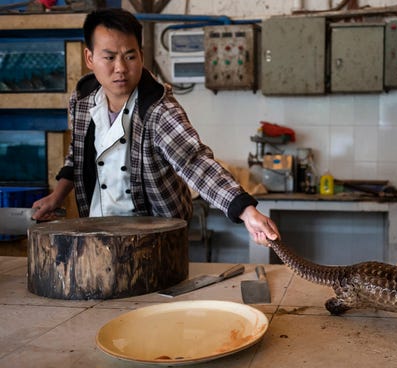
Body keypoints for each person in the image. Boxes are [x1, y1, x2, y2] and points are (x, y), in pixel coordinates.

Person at [32, 8, 279, 245]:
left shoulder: (158, 108)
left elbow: (194, 162)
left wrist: (245, 210)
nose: (120, 68)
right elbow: (77, 156)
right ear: (89, 58)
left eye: (130, 56)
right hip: (97, 231)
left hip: (156, 238)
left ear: (141, 54)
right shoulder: (83, 100)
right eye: (109, 57)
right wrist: (57, 197)